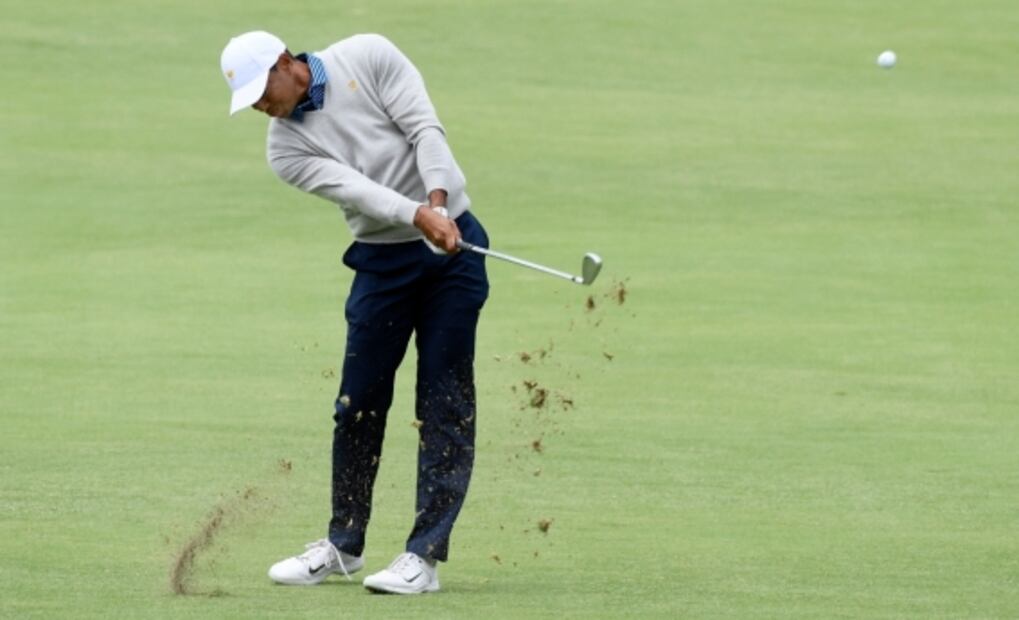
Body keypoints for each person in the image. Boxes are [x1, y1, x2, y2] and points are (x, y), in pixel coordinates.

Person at [220, 30, 489, 595]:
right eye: (250, 104)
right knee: (357, 403)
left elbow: (424, 128)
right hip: (382, 262)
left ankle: (423, 556)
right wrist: (418, 216)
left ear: (285, 63)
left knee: (443, 402)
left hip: (455, 251)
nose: (261, 109)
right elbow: (360, 190)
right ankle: (343, 546)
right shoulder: (283, 149)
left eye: (261, 93)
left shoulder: (367, 55)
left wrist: (438, 203)